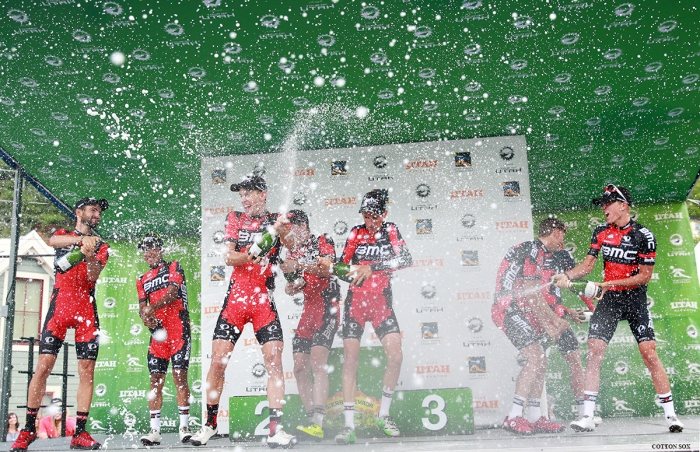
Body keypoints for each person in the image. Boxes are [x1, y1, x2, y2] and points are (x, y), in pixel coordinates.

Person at [552, 184, 684, 433]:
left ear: (623, 205)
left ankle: (671, 416)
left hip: (635, 300)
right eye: (602, 204)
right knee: (594, 351)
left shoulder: (644, 236)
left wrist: (609, 283)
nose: (603, 208)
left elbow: (644, 277)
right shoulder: (601, 231)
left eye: (608, 203)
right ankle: (588, 416)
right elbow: (587, 266)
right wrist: (566, 274)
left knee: (649, 353)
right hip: (610, 301)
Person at [189, 175, 296, 449]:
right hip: (235, 302)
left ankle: (275, 430)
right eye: (242, 195)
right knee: (217, 362)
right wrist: (252, 253)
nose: (244, 199)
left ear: (263, 194)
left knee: (274, 361)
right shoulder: (235, 217)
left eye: (248, 194)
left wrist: (282, 231)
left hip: (264, 302)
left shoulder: (275, 219)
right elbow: (229, 257)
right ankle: (210, 425)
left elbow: (292, 247)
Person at [11, 197, 109, 452]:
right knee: (44, 366)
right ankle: (28, 429)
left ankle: (80, 432)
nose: (97, 215)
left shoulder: (101, 245)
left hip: (86, 307)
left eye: (99, 212)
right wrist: (80, 241)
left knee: (86, 369)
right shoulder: (64, 234)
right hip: (61, 305)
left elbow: (93, 276)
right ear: (79, 212)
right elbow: (53, 241)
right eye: (93, 210)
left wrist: (88, 255)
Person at [320, 190, 412, 445]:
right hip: (356, 306)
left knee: (396, 357)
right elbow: (341, 268)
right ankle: (348, 426)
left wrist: (372, 267)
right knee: (350, 361)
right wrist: (346, 270)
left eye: (374, 216)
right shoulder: (355, 233)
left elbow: (405, 259)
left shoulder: (391, 229)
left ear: (384, 213)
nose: (369, 221)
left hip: (382, 304)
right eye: (365, 215)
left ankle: (384, 414)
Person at [491, 218, 572, 435]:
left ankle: (535, 416)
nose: (563, 241)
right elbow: (533, 295)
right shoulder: (534, 250)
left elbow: (534, 295)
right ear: (555, 232)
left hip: (517, 308)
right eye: (563, 235)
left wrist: (552, 321)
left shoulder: (535, 250)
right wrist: (552, 323)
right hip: (507, 308)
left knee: (541, 360)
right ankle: (514, 416)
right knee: (535, 357)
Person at [276, 210, 340, 441]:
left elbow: (328, 269)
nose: (287, 235)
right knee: (300, 367)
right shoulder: (291, 251)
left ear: (302, 226)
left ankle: (318, 423)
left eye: (290, 229)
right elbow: (299, 283)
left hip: (327, 307)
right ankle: (312, 418)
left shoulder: (323, 240)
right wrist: (292, 287)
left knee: (317, 363)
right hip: (308, 310)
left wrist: (298, 264)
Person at [135, 233, 193, 446]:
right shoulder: (141, 279)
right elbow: (143, 307)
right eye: (145, 249)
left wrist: (153, 308)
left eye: (152, 248)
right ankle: (155, 431)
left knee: (179, 377)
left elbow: (172, 293)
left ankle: (184, 428)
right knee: (155, 381)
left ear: (161, 250)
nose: (149, 252)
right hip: (159, 336)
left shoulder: (174, 267)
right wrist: (146, 318)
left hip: (179, 331)